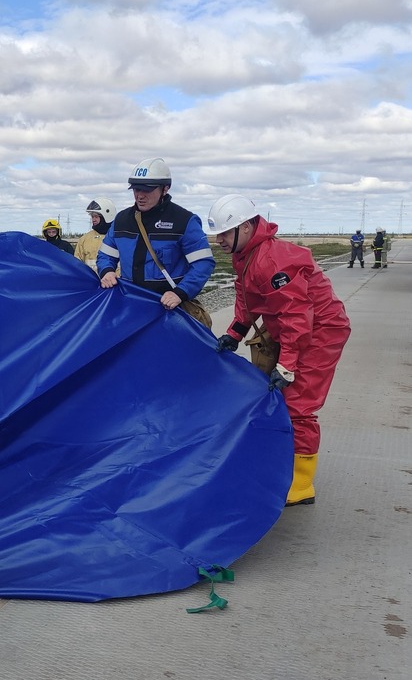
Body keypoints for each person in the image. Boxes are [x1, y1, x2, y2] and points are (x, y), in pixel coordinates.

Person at [206, 195, 350, 507]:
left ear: (245, 227)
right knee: (280, 399)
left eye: (224, 233)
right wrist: (236, 331)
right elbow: (247, 297)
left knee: (298, 404)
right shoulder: (246, 254)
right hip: (295, 328)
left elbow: (296, 315)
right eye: (217, 233)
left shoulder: (272, 261)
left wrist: (286, 365)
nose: (219, 240)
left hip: (321, 330)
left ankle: (300, 485)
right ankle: (282, 465)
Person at [96, 157, 215, 328]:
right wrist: (106, 271)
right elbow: (106, 255)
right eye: (136, 189)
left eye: (147, 189)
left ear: (165, 189)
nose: (140, 195)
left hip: (171, 311)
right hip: (131, 308)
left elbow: (203, 263)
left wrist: (180, 293)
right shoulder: (121, 220)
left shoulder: (184, 221)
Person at [74, 198, 116, 270]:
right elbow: (77, 264)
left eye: (96, 216)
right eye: (92, 216)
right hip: (90, 281)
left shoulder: (118, 238)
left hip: (114, 280)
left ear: (107, 216)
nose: (93, 220)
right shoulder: (84, 239)